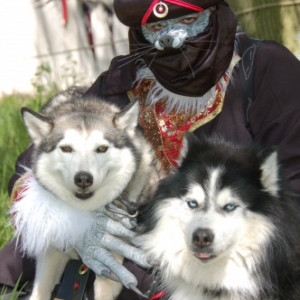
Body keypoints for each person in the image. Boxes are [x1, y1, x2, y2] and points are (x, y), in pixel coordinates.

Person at [1, 0, 300, 299]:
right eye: (156, 27)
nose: (171, 38)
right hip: (120, 242)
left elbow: (292, 191)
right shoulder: (123, 79)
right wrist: (71, 228)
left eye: (186, 22)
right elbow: (30, 173)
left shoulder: (266, 69)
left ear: (214, 15)